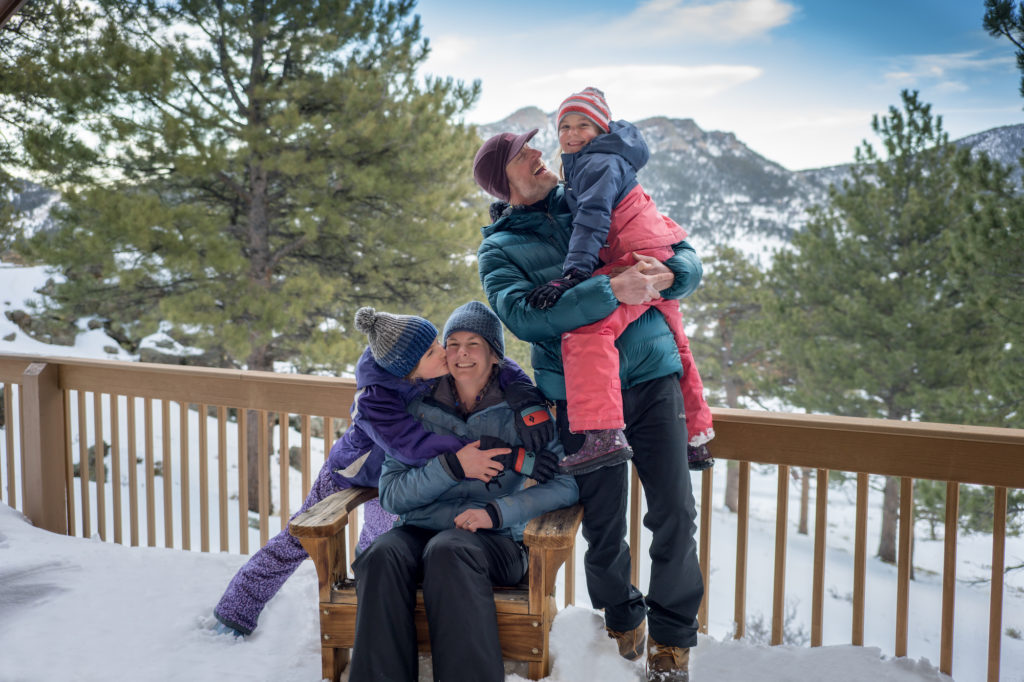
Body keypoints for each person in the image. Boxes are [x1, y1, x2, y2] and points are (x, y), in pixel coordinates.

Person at [474, 128, 704, 681]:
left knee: (674, 512)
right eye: (521, 155)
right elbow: (526, 317)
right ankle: (621, 616)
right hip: (576, 395)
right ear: (504, 185)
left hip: (651, 378)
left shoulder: (592, 190)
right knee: (603, 524)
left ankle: (672, 641)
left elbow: (681, 251)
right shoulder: (498, 249)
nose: (538, 153)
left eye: (534, 145)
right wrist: (609, 291)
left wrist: (674, 275)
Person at [211, 306, 554, 637]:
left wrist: (526, 397)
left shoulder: (416, 362)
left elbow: (498, 363)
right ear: (409, 370)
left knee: (377, 543)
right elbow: (411, 446)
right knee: (299, 538)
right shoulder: (376, 399)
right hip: (354, 473)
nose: (445, 355)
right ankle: (236, 610)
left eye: (439, 343)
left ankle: (369, 606)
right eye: (435, 351)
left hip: (399, 476)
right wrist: (481, 458)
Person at [348, 301, 578, 682]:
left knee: (449, 550)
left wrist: (497, 512)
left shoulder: (524, 412)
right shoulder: (416, 407)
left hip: (494, 542)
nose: (461, 353)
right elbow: (391, 494)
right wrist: (452, 467)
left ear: (494, 354)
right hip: (419, 530)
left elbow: (565, 484)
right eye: (452, 343)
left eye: (473, 343)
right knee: (381, 554)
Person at [526, 86, 714, 474]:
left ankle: (603, 434)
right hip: (655, 250)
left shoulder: (599, 164)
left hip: (635, 257)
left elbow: (592, 220)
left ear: (602, 129)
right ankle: (697, 438)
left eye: (584, 125)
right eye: (564, 126)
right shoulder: (600, 161)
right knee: (679, 346)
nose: (573, 134)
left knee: (586, 331)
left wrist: (573, 275)